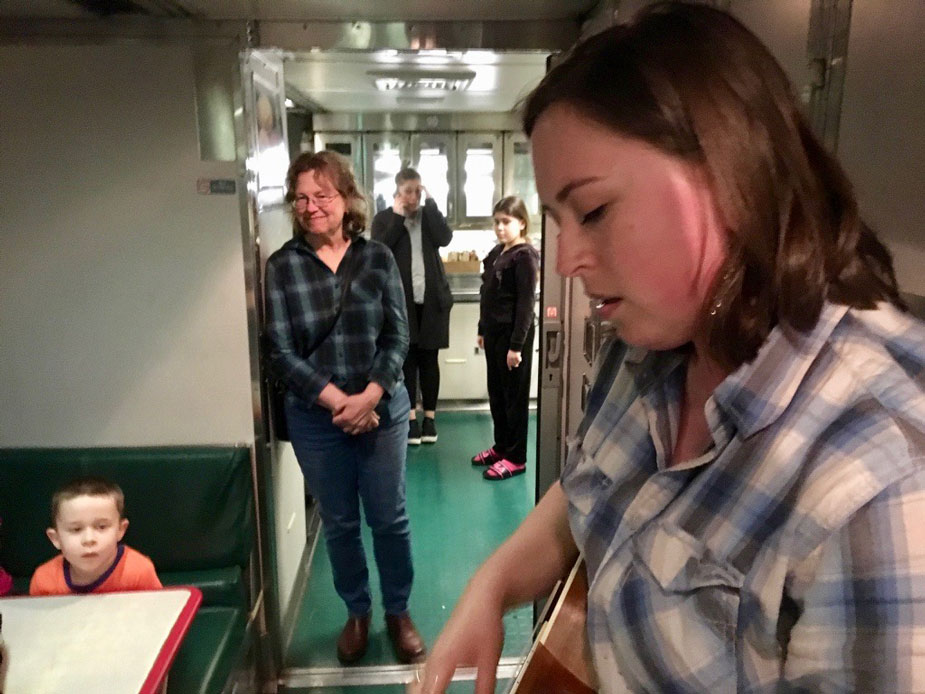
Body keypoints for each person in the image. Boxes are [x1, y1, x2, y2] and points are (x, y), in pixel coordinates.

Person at [418, 3, 925, 693]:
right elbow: (589, 488)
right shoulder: (650, 346)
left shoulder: (882, 478)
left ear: (730, 174)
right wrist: (492, 583)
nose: (566, 259)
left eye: (593, 210)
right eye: (556, 220)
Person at [264, 150, 426, 665]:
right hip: (317, 418)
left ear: (346, 198)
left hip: (382, 410)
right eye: (301, 198)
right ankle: (357, 611)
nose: (311, 207)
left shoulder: (376, 257)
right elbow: (281, 351)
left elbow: (399, 335)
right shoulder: (282, 266)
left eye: (322, 196)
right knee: (338, 522)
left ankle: (397, 611)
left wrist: (372, 395)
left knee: (389, 516)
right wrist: (340, 402)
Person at [372, 167, 454, 446]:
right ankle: (409, 418)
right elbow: (379, 250)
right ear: (397, 191)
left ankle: (429, 418)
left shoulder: (428, 216)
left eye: (417, 190)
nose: (413, 196)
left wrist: (430, 203)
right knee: (406, 361)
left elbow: (445, 238)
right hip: (400, 303)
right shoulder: (384, 219)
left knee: (429, 361)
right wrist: (397, 217)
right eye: (408, 191)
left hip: (432, 302)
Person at [472, 196, 539, 480]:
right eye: (497, 222)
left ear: (521, 223)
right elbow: (488, 296)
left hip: (513, 336)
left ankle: (516, 457)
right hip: (494, 333)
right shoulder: (499, 252)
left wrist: (516, 346)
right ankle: (501, 447)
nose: (500, 227)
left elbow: (525, 304)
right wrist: (481, 329)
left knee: (514, 398)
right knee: (497, 395)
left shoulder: (524, 257)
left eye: (506, 222)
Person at [29, 477, 161, 595]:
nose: (89, 539)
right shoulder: (44, 580)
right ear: (55, 538)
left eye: (102, 527)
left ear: (121, 530)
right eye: (76, 529)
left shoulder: (140, 572)